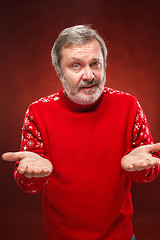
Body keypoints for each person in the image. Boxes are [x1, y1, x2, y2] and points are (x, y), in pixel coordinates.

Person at [2, 25, 160, 240]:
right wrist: (33, 176)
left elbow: (148, 172)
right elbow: (28, 185)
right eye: (76, 66)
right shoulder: (38, 112)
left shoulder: (129, 105)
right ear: (59, 71)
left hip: (120, 235)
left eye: (95, 64)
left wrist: (139, 169)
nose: (89, 75)